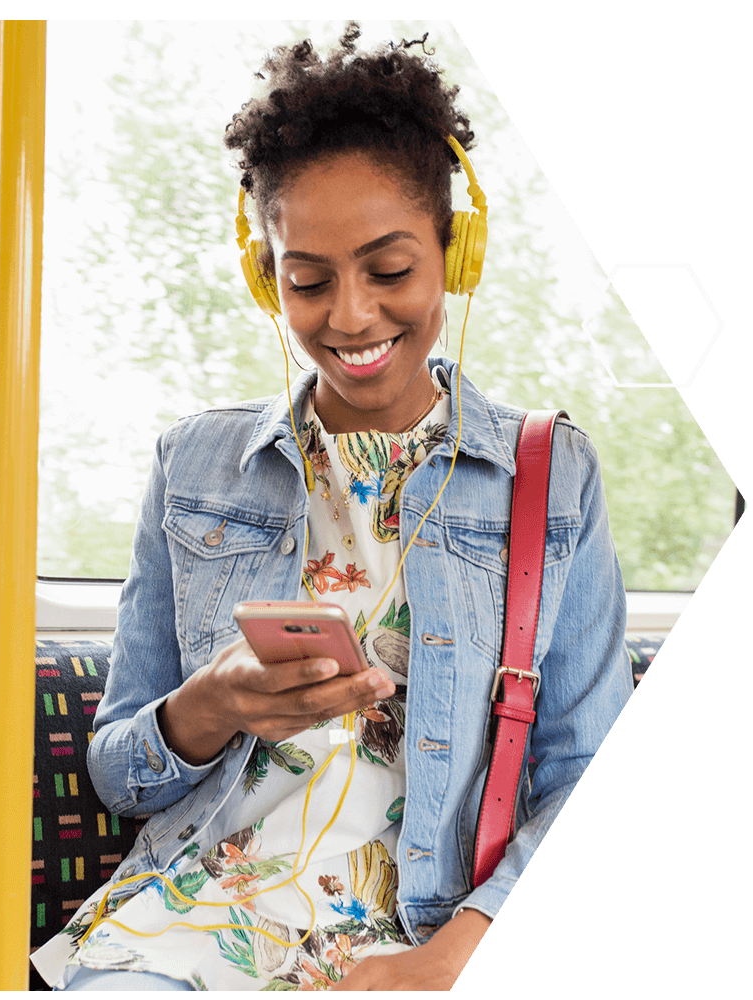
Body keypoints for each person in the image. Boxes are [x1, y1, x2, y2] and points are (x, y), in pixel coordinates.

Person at [31, 23, 632, 991]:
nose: (348, 316)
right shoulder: (194, 463)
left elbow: (577, 765)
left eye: (389, 270)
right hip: (197, 915)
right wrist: (206, 708)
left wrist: (446, 957)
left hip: (426, 928)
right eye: (307, 280)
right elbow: (117, 774)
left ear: (456, 251)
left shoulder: (552, 471)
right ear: (266, 274)